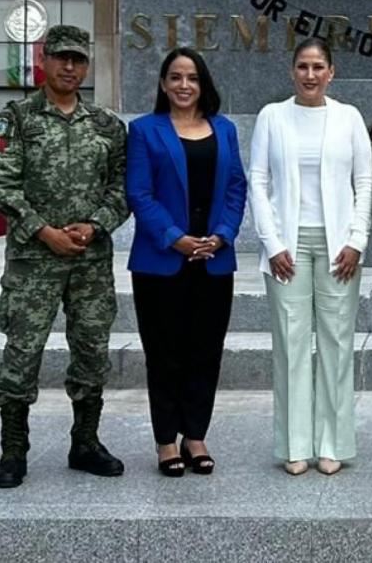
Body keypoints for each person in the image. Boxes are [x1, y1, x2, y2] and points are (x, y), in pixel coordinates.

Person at [0, 24, 130, 489]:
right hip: (34, 262)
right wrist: (44, 232)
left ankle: (85, 442)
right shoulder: (18, 118)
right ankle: (13, 450)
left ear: (87, 65)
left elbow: (123, 189)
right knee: (22, 353)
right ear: (43, 61)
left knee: (91, 351)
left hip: (90, 261)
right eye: (61, 58)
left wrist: (96, 225)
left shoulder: (106, 126)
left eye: (78, 59)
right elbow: (2, 187)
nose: (70, 67)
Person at [248, 37, 372, 476]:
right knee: (291, 344)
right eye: (303, 66)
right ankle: (295, 445)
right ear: (292, 71)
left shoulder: (349, 118)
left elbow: (364, 181)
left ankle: (333, 443)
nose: (310, 74)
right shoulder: (272, 117)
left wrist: (357, 240)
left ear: (331, 72)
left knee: (337, 343)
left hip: (339, 246)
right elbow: (258, 182)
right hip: (288, 247)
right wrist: (273, 243)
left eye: (318, 66)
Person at [125, 47, 248, 477]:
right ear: (163, 84)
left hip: (214, 260)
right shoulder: (144, 131)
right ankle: (165, 441)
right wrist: (175, 238)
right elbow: (139, 193)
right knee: (164, 354)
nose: (183, 85)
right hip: (160, 262)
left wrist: (224, 235)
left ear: (203, 84)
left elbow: (236, 188)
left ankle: (195, 435)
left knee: (205, 352)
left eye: (192, 78)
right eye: (175, 77)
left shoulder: (225, 130)